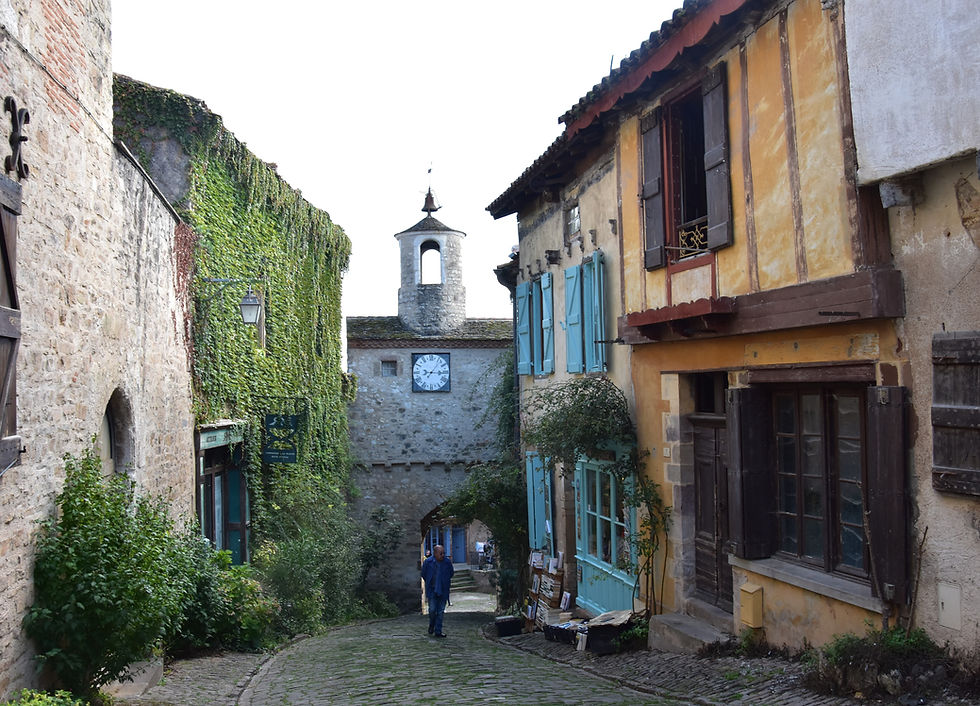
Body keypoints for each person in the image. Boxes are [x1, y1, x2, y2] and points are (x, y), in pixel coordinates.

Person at [420, 544, 454, 638]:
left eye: (443, 553)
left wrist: (444, 581)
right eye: (440, 553)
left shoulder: (447, 562)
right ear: (434, 553)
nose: (443, 555)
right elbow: (423, 574)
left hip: (443, 590)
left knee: (440, 611)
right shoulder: (428, 562)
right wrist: (430, 582)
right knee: (432, 610)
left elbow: (451, 573)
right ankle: (432, 625)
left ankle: (438, 631)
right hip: (432, 590)